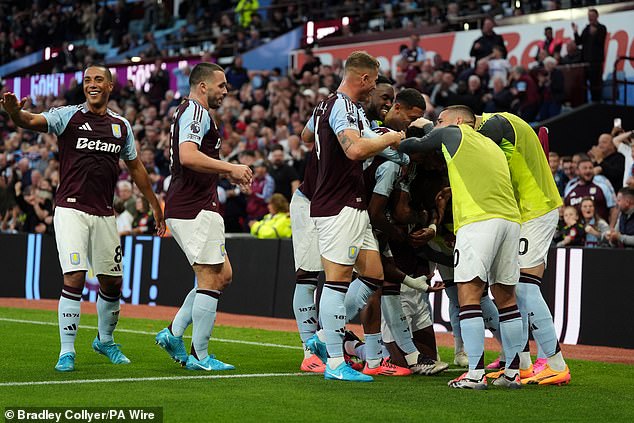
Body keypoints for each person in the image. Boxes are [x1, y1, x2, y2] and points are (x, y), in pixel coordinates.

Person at [1, 65, 166, 372]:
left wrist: (155, 205)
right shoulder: (69, 116)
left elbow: (137, 169)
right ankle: (67, 351)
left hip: (104, 212)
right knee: (75, 276)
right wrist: (14, 114)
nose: (92, 84)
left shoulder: (121, 126)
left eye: (98, 80)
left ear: (110, 86)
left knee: (113, 283)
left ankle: (105, 340)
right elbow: (31, 120)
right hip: (71, 210)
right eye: (88, 80)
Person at [399, 105, 524, 390]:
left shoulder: (454, 133)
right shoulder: (490, 144)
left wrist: (393, 138)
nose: (437, 124)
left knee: (468, 295)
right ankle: (513, 373)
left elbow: (417, 144)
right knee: (506, 299)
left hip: (478, 221)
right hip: (509, 220)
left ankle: (475, 374)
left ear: (456, 122)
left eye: (440, 120)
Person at [304, 51, 403, 382]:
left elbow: (310, 137)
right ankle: (334, 361)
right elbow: (355, 150)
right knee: (336, 280)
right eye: (374, 81)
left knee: (373, 274)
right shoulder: (342, 106)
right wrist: (392, 136)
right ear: (363, 79)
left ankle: (322, 337)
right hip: (338, 205)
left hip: (352, 202)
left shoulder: (331, 106)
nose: (375, 87)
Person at [154, 63, 252, 371]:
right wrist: (231, 168)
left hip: (197, 203)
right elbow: (188, 155)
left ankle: (173, 334)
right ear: (202, 86)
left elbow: (196, 160)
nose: (226, 90)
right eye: (221, 85)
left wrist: (226, 175)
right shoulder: (195, 112)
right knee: (211, 277)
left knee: (223, 275)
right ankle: (200, 355)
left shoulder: (195, 113)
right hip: (192, 206)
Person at [477, 112, 571, 386]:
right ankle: (521, 363)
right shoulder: (504, 127)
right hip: (522, 213)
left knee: (525, 288)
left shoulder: (494, 125)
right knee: (508, 288)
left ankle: (556, 364)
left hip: (536, 209)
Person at [564, 156, 618, 228]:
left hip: (600, 232)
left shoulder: (602, 187)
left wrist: (611, 228)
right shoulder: (570, 189)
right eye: (585, 168)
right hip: (576, 235)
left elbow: (614, 208)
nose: (588, 171)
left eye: (590, 168)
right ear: (577, 171)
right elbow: (565, 210)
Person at [572, 8, 607, 102]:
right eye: (589, 16)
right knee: (583, 85)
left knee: (595, 85)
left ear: (597, 16)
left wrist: (594, 34)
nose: (590, 17)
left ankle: (596, 104)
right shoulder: (586, 29)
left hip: (596, 62)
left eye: (592, 15)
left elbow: (600, 42)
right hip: (585, 62)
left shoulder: (602, 28)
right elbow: (579, 42)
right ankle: (585, 104)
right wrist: (575, 32)